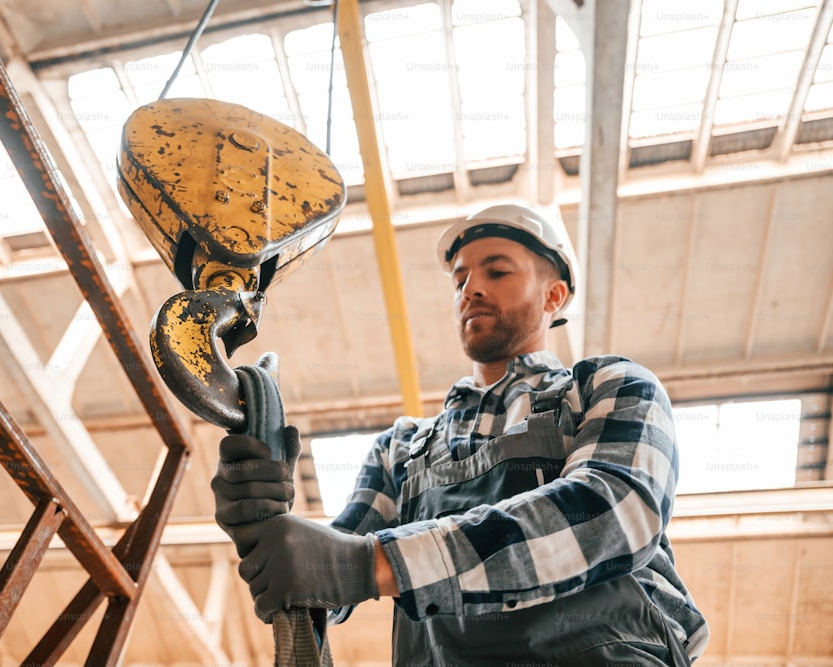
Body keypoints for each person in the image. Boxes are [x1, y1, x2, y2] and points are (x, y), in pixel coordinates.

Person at [212, 202, 709, 665]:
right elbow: (334, 567)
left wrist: (370, 564)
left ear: (554, 295)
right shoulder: (399, 450)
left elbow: (614, 513)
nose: (471, 288)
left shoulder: (607, 386)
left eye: (497, 271)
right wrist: (268, 527)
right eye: (460, 278)